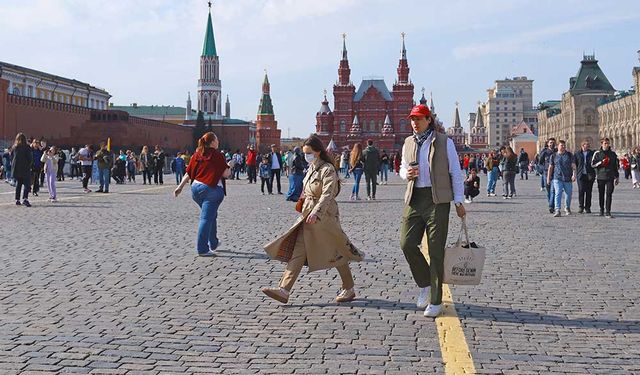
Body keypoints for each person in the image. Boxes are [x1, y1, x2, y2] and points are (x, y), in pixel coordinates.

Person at [262, 134, 365, 304]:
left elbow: (327, 194)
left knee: (336, 251)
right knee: (299, 250)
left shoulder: (327, 169)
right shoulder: (311, 168)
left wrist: (317, 212)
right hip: (307, 216)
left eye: (309, 152)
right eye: (304, 153)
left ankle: (349, 288)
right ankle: (284, 290)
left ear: (318, 152)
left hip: (324, 217)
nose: (306, 156)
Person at [399, 104, 465, 318]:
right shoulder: (408, 142)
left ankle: (435, 301)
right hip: (414, 198)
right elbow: (401, 167)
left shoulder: (445, 142)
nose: (414, 123)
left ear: (429, 120)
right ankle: (425, 283)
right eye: (412, 119)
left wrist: (459, 201)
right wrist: (405, 174)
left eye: (418, 119)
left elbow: (455, 171)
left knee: (436, 250)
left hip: (438, 200)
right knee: (406, 243)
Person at [174, 132, 232, 256]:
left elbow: (189, 173)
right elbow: (226, 174)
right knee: (206, 218)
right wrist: (230, 166)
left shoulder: (197, 154)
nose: (218, 141)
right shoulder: (218, 155)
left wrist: (180, 187)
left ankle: (214, 242)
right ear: (212, 142)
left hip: (195, 189)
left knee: (211, 215)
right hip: (211, 189)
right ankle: (203, 248)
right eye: (216, 139)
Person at [591, 138, 619, 218]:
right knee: (601, 194)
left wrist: (617, 177)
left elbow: (615, 166)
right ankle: (601, 210)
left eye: (608, 143)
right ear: (601, 144)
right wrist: (601, 162)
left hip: (610, 176)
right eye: (605, 143)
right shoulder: (597, 153)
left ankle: (608, 211)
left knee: (609, 193)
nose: (607, 145)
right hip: (601, 176)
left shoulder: (613, 154)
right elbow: (592, 164)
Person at [547, 140, 576, 217]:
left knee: (568, 194)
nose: (563, 147)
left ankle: (567, 207)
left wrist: (574, 174)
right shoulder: (553, 156)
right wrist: (548, 178)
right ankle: (557, 209)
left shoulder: (569, 155)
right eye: (561, 145)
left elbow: (573, 166)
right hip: (557, 177)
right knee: (558, 193)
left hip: (567, 178)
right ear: (558, 146)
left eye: (564, 145)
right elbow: (551, 167)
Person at [574, 139, 595, 213]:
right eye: (586, 144)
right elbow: (575, 165)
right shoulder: (577, 154)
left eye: (588, 145)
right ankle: (581, 206)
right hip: (581, 175)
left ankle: (587, 207)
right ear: (582, 145)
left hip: (589, 175)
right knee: (581, 190)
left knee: (589, 192)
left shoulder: (592, 153)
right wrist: (574, 174)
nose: (588, 146)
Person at [11, 133, 33, 207]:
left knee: (18, 184)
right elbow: (30, 158)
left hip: (16, 169)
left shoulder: (14, 147)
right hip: (25, 168)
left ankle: (17, 200)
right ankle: (25, 199)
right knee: (27, 184)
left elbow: (11, 158)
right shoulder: (27, 147)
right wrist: (29, 164)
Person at [538, 138, 557, 213]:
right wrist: (543, 170)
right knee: (549, 190)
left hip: (555, 173)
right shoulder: (544, 152)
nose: (552, 144)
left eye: (553, 142)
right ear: (548, 144)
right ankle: (551, 203)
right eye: (551, 142)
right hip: (546, 173)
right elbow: (540, 163)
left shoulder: (557, 151)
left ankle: (552, 206)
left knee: (554, 190)